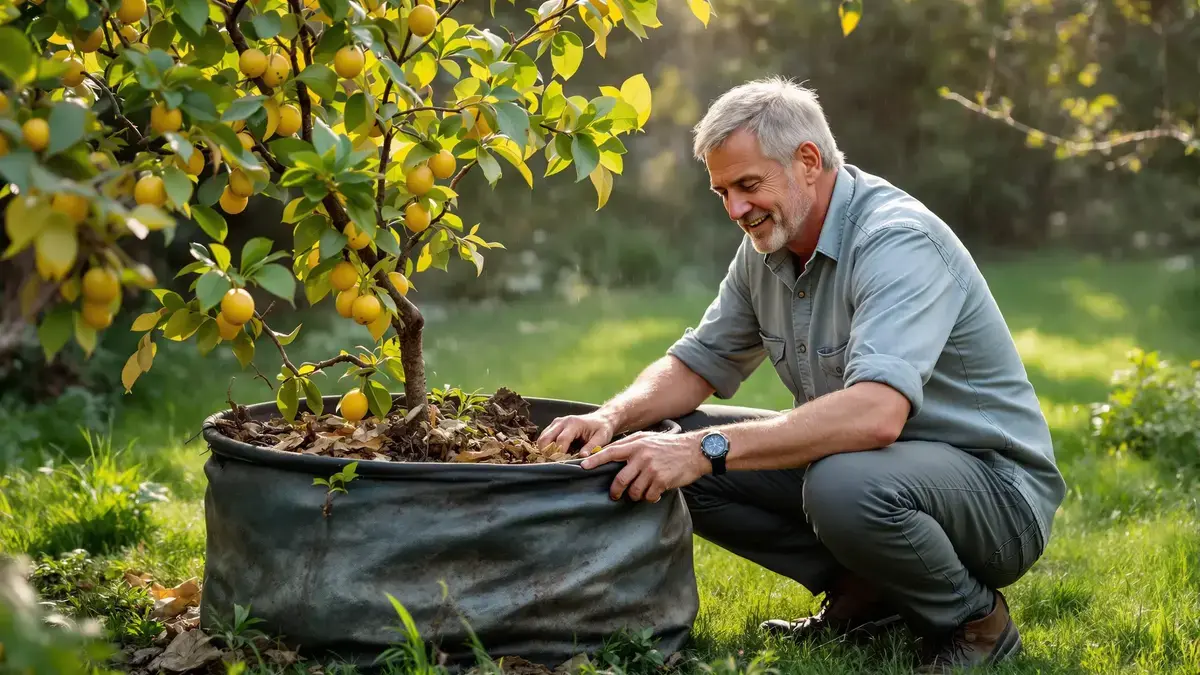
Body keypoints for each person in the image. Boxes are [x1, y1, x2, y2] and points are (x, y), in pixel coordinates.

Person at [535, 76, 1067, 672]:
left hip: (994, 499)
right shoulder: (768, 246)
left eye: (748, 185)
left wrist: (705, 448)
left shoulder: (897, 241)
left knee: (835, 483)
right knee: (658, 440)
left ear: (808, 162)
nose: (735, 210)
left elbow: (874, 415)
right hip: (879, 474)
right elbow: (698, 362)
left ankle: (977, 625)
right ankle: (870, 597)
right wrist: (611, 417)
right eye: (722, 193)